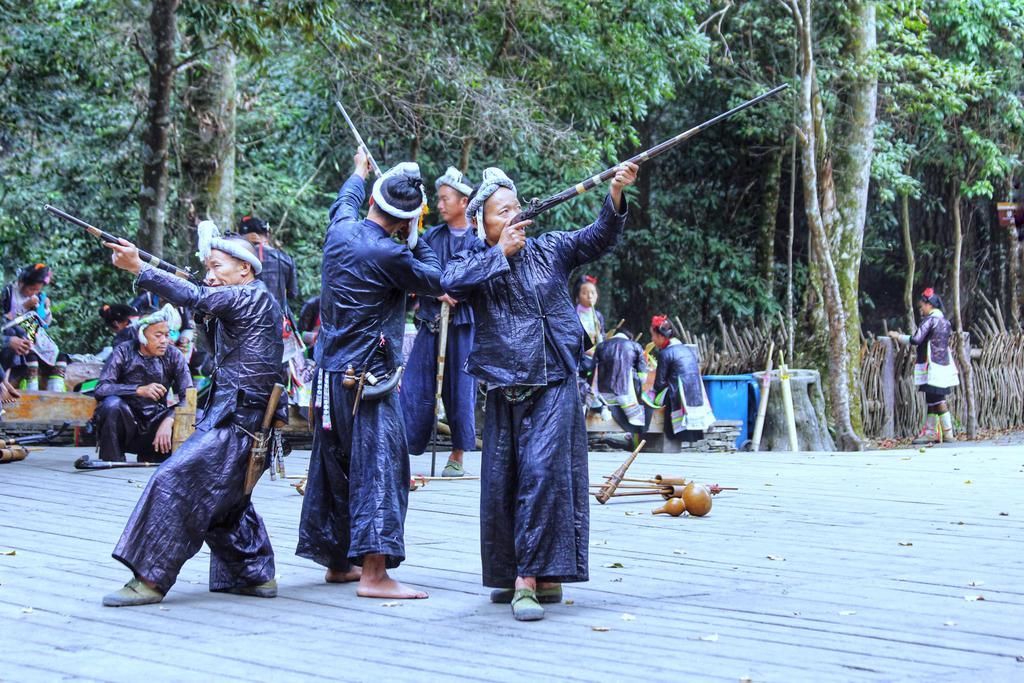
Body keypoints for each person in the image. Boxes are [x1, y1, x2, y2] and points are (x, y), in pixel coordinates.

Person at [442, 162, 637, 621]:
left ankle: (531, 580)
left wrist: (614, 194)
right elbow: (449, 285)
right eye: (499, 212)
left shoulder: (549, 247)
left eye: (514, 207)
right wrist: (499, 254)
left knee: (543, 474)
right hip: (505, 381)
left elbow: (597, 237)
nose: (511, 217)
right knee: (504, 482)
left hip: (554, 379)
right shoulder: (472, 258)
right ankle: (522, 574)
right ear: (481, 222)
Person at [100, 222, 284, 607]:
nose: (211, 275)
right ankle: (253, 574)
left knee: (174, 479)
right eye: (208, 268)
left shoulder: (249, 296)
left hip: (238, 422)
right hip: (236, 417)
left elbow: (196, 297)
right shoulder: (245, 297)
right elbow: (201, 301)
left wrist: (140, 268)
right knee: (226, 501)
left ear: (244, 270)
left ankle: (149, 578)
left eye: (218, 267)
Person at [297, 150, 442, 600]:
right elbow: (435, 279)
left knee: (336, 465)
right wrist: (417, 235)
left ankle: (340, 563)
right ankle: (374, 575)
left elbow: (344, 199)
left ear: (373, 201)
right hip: (369, 381)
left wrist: (359, 171)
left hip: (328, 375)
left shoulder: (339, 232)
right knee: (381, 468)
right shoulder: (391, 254)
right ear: (403, 221)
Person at [400, 166, 478, 478]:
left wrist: (460, 292)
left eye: (446, 199)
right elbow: (412, 270)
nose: (440, 205)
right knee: (415, 386)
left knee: (460, 389)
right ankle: (404, 448)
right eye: (439, 199)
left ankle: (457, 453)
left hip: (463, 325)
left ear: (463, 202)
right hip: (431, 320)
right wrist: (437, 290)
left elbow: (487, 274)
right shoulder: (430, 237)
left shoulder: (478, 239)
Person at [92, 305, 192, 463]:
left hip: (156, 423)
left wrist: (169, 419)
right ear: (142, 337)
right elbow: (101, 388)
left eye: (166, 335)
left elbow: (189, 396)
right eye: (158, 335)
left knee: (198, 414)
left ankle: (163, 458)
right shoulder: (123, 351)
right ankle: (112, 459)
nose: (164, 341)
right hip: (127, 422)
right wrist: (138, 390)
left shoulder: (174, 355)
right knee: (111, 405)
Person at [888, 287, 959, 443]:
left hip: (931, 366)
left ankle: (948, 433)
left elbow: (916, 339)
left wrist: (898, 336)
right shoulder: (945, 322)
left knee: (938, 399)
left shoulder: (930, 320)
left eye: (922, 306)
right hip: (943, 365)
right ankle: (932, 432)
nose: (920, 309)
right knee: (933, 399)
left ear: (929, 305)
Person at [642, 316, 716, 441]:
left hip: (676, 397)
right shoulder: (687, 350)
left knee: (647, 398)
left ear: (661, 336)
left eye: (653, 335)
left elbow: (659, 384)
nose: (652, 339)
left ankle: (644, 435)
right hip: (695, 397)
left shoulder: (665, 353)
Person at [2, 263, 66, 391]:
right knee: (29, 355)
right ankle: (29, 384)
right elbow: (5, 320)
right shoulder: (8, 293)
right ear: (21, 283)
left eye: (37, 290)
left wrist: (45, 308)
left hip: (34, 332)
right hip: (13, 333)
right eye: (31, 289)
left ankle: (56, 390)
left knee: (60, 356)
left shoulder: (38, 296)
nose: (34, 292)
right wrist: (24, 307)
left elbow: (45, 322)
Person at [239, 214, 299, 321]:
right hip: (278, 322)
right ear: (267, 234)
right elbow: (292, 293)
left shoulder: (237, 259)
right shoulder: (285, 258)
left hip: (245, 322)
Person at [593, 328, 648, 434]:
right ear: (629, 337)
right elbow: (643, 377)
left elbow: (592, 371)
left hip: (603, 395)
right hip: (627, 396)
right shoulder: (635, 346)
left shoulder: (601, 346)